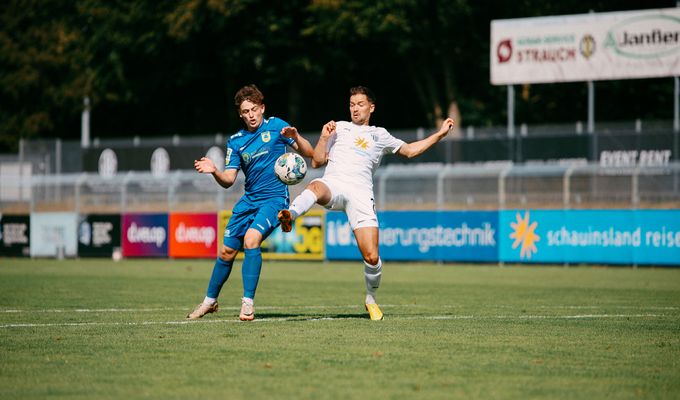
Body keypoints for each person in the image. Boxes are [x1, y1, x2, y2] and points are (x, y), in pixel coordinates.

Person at [277, 86, 454, 321]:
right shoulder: (338, 128)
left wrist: (439, 134)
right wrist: (324, 137)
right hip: (335, 184)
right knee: (316, 186)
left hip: (361, 195)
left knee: (371, 257)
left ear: (371, 107)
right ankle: (290, 214)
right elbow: (318, 161)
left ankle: (370, 299)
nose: (355, 108)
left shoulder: (380, 135)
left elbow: (410, 151)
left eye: (360, 104)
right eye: (351, 104)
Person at [187, 84, 314, 321]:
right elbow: (228, 180)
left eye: (254, 109)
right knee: (226, 252)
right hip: (249, 201)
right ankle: (209, 302)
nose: (251, 115)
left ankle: (247, 303)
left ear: (262, 108)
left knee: (251, 239)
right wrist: (215, 170)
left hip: (275, 199)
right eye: (246, 111)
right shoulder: (236, 141)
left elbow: (308, 152)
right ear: (240, 114)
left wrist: (296, 137)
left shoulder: (277, 127)